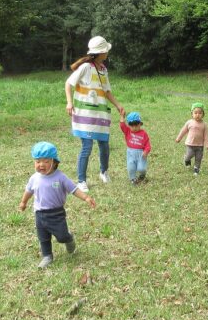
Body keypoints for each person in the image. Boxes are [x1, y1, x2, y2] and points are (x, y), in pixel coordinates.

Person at [19, 141, 95, 269]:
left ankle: (68, 238)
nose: (41, 165)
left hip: (56, 214)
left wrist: (86, 197)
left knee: (62, 236)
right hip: (39, 213)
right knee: (43, 238)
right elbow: (28, 191)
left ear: (54, 162)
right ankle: (47, 256)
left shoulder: (60, 177)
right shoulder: (34, 178)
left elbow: (73, 189)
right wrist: (23, 202)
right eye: (37, 161)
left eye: (46, 161)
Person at [65, 36, 125, 192]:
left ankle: (104, 172)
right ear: (101, 52)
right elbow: (68, 84)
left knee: (104, 145)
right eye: (106, 50)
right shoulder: (85, 67)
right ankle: (81, 181)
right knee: (87, 147)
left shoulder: (103, 70)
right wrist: (69, 102)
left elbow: (107, 91)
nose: (107, 53)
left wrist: (118, 105)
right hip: (84, 115)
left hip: (100, 114)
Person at [175, 102, 208, 175]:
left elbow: (206, 135)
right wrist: (179, 138)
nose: (198, 115)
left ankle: (196, 169)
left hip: (200, 145)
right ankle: (186, 159)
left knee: (199, 158)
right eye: (195, 113)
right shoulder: (189, 122)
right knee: (189, 155)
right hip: (190, 144)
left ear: (203, 114)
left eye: (200, 113)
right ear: (192, 114)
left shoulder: (204, 125)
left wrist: (207, 145)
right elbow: (183, 131)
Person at [119, 111, 151, 184]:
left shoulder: (143, 133)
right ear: (129, 125)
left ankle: (142, 175)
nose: (134, 128)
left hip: (141, 154)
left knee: (141, 168)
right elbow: (122, 126)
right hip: (130, 153)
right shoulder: (128, 131)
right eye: (132, 126)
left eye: (136, 125)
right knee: (131, 167)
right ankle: (133, 179)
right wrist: (122, 116)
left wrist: (146, 151)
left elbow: (148, 145)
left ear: (140, 124)